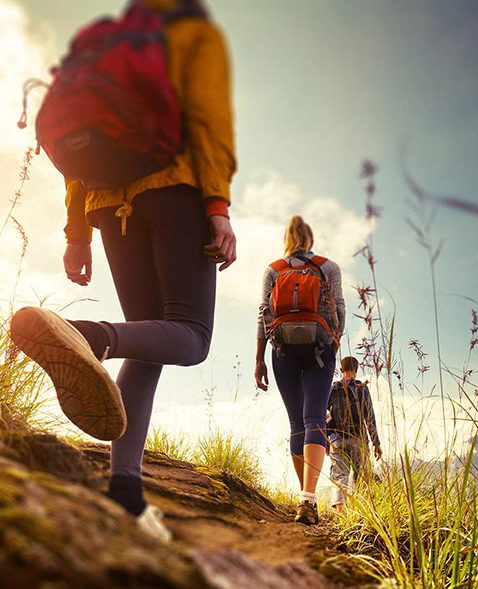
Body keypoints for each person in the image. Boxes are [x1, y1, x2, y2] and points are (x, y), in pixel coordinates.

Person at [10, 0, 236, 542]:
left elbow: (80, 151)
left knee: (150, 341)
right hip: (173, 195)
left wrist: (77, 233)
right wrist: (218, 207)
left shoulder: (104, 39)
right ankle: (89, 337)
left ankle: (125, 492)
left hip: (108, 206)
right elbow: (208, 118)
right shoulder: (192, 33)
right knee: (191, 336)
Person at [254, 215, 345, 526]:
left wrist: (259, 359)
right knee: (315, 419)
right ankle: (308, 497)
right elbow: (340, 308)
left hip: (282, 352)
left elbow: (262, 315)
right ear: (311, 240)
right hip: (320, 350)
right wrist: (334, 342)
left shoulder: (273, 270)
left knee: (296, 423)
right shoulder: (328, 267)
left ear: (287, 240)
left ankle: (304, 498)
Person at [327, 356, 382, 512]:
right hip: (358, 438)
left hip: (337, 439)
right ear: (356, 370)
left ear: (341, 369)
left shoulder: (333, 388)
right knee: (362, 474)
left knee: (339, 475)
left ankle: (341, 513)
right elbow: (369, 416)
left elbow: (323, 414)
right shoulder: (362, 388)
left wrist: (325, 441)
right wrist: (376, 443)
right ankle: (361, 512)